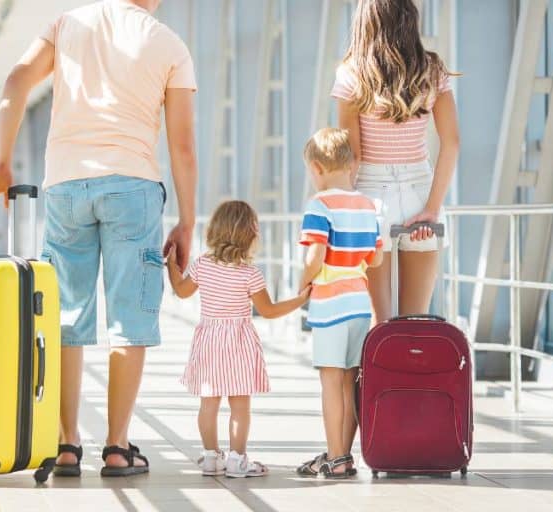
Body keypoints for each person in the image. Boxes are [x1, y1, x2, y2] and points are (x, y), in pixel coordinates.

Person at [0, 0, 198, 477]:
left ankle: (66, 444)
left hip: (65, 185)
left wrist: (2, 160)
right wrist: (187, 219)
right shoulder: (169, 45)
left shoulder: (69, 23)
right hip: (133, 186)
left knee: (66, 317)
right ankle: (118, 447)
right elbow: (182, 144)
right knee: (129, 316)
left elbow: (16, 80)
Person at [333, 0, 459, 323]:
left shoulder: (351, 75)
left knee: (381, 325)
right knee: (415, 323)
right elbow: (452, 142)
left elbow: (354, 156)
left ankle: (378, 374)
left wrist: (342, 211)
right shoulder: (432, 70)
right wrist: (431, 207)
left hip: (371, 200)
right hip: (421, 195)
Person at [166, 201, 310, 478]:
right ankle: (237, 460)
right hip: (238, 343)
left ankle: (210, 458)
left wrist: (172, 266)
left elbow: (182, 292)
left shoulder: (202, 266)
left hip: (209, 339)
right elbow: (268, 311)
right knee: (239, 406)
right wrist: (300, 300)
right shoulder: (249, 274)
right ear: (250, 235)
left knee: (208, 403)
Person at [295, 128, 382, 479]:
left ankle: (335, 456)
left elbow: (315, 256)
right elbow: (375, 260)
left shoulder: (319, 206)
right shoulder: (366, 205)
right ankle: (344, 453)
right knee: (350, 381)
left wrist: (303, 282)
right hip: (360, 305)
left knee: (330, 382)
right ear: (351, 165)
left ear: (316, 168)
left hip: (330, 306)